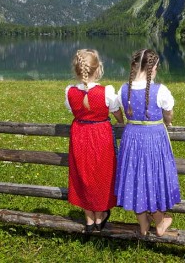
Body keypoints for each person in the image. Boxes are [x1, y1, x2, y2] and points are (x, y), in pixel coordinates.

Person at [113, 48, 181, 237]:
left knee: (137, 178)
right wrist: (167, 121)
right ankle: (159, 222)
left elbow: (122, 109)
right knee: (153, 178)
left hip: (132, 137)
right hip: (154, 138)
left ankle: (143, 225)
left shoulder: (123, 89)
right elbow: (168, 112)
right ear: (154, 68)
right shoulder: (160, 90)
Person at [65, 49, 124, 233]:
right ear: (98, 69)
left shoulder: (70, 91)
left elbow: (72, 109)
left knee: (82, 174)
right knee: (102, 174)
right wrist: (121, 121)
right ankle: (100, 215)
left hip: (80, 136)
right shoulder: (106, 92)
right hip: (101, 137)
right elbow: (116, 112)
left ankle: (89, 218)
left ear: (76, 70)